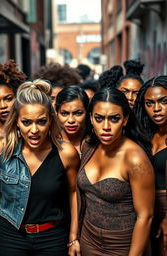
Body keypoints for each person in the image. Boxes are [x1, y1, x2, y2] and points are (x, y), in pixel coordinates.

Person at [0, 79, 81, 256]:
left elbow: (74, 193)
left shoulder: (66, 153)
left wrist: (74, 236)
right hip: (13, 236)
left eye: (41, 122)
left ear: (50, 120)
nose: (34, 130)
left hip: (52, 237)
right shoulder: (3, 147)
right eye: (27, 122)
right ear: (17, 122)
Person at [77, 87, 155, 255]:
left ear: (125, 120)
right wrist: (75, 237)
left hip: (121, 245)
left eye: (114, 119)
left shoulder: (135, 159)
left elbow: (145, 216)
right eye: (99, 118)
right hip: (88, 239)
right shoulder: (88, 145)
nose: (106, 126)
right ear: (90, 118)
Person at [134, 75, 167, 255]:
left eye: (163, 101)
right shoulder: (144, 135)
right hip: (145, 210)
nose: (156, 109)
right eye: (150, 103)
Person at [55, 85, 89, 157]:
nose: (71, 120)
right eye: (64, 113)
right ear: (56, 112)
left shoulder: (94, 143)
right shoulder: (49, 142)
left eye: (78, 113)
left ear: (87, 112)